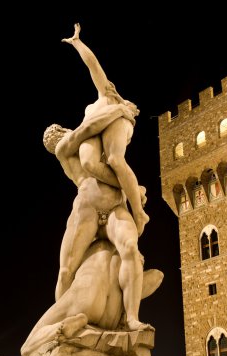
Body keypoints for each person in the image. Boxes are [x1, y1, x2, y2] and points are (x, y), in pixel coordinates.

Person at [43, 121, 150, 332]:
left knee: (130, 248)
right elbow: (89, 126)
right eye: (55, 139)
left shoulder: (100, 142)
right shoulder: (66, 150)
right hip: (86, 209)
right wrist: (131, 187)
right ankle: (60, 321)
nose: (60, 138)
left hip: (115, 208)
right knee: (66, 271)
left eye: (58, 134)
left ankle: (131, 318)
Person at [61, 23, 149, 237]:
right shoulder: (104, 96)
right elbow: (94, 66)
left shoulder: (113, 104)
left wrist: (78, 43)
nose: (135, 109)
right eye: (133, 107)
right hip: (93, 132)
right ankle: (133, 191)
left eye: (134, 110)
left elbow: (94, 67)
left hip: (114, 124)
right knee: (89, 163)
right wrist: (77, 42)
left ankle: (138, 213)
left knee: (115, 160)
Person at [21, 239, 164, 356]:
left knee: (26, 348)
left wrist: (62, 298)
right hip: (114, 308)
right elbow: (157, 276)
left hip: (87, 292)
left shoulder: (95, 237)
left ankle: (64, 326)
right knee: (157, 275)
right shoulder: (129, 244)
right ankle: (125, 320)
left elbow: (65, 272)